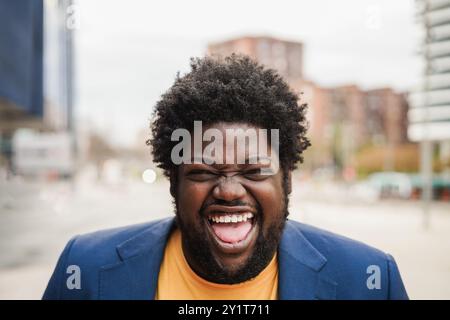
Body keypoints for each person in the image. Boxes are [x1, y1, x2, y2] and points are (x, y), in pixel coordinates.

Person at [43, 55, 408, 300]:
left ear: (288, 180)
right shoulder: (85, 271)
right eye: (203, 171)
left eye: (253, 171)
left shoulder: (368, 280)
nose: (230, 191)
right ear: (174, 182)